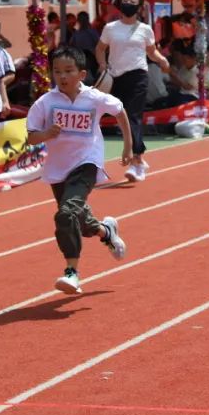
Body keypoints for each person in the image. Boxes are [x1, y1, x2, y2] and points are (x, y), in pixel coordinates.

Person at [26, 46, 132, 295]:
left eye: (68, 71)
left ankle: (71, 272)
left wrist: (129, 146)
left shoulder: (94, 98)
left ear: (82, 74)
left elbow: (120, 112)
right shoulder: (45, 102)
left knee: (65, 214)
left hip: (87, 163)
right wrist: (46, 133)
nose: (62, 76)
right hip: (58, 168)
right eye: (57, 71)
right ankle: (105, 231)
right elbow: (31, 137)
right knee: (79, 222)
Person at [96, 0, 171, 183]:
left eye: (133, 0)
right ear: (120, 3)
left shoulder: (145, 29)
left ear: (138, 7)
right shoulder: (110, 28)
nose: (128, 2)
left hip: (138, 75)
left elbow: (152, 52)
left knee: (132, 116)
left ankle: (137, 161)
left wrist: (162, 60)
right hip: (115, 77)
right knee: (120, 116)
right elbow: (100, 48)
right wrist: (102, 64)